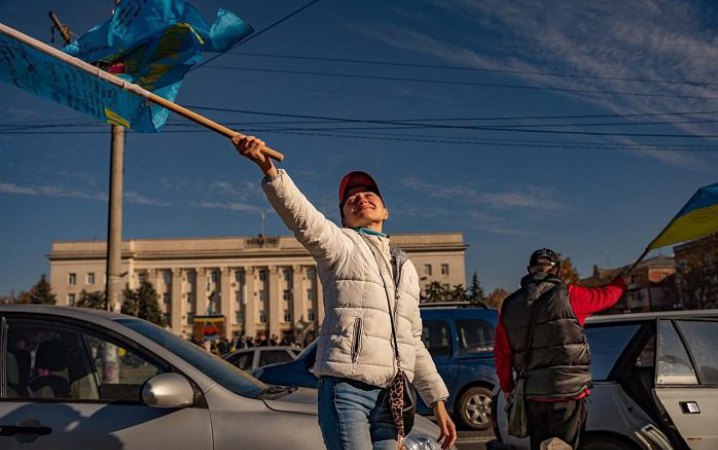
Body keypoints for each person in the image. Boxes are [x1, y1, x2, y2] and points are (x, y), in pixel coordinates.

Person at [233, 135, 456, 450]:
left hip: (391, 398)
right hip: (347, 391)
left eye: (368, 194)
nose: (360, 198)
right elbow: (304, 219)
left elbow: (412, 340)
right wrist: (268, 169)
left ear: (386, 211)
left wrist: (437, 400)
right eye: (351, 198)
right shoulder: (342, 246)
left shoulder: (405, 268)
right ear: (343, 218)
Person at [494, 248, 627, 450]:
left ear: (529, 270)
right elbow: (607, 297)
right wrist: (620, 282)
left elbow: (501, 353)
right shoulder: (570, 295)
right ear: (557, 270)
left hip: (532, 394)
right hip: (567, 393)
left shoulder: (510, 304)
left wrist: (508, 387)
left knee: (540, 446)